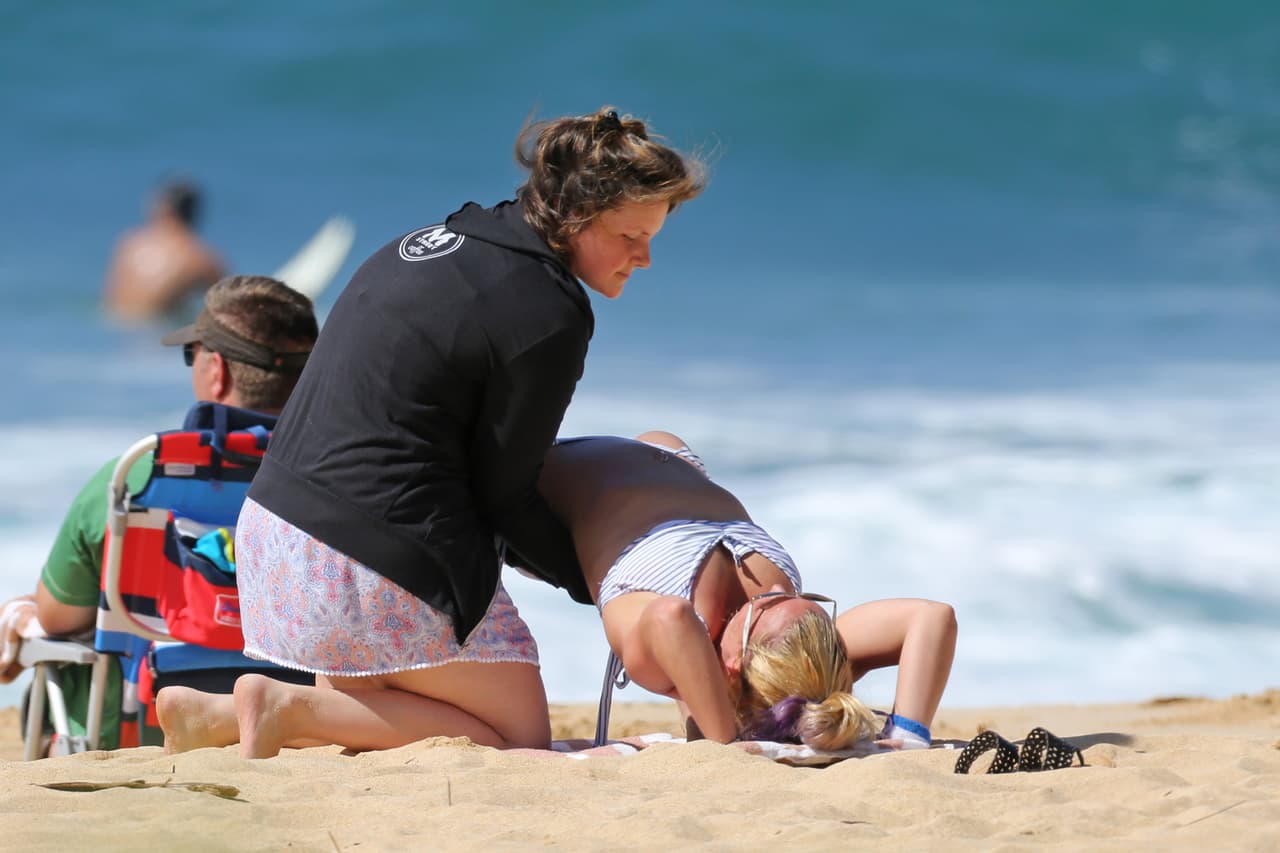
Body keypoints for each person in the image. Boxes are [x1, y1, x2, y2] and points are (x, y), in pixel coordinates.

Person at [157, 106, 706, 758]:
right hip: (368, 565)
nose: (643, 258)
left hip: (278, 547)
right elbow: (503, 493)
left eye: (653, 238)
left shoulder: (434, 244)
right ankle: (281, 701)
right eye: (628, 236)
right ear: (575, 216)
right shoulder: (549, 310)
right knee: (518, 735)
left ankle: (225, 713)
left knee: (381, 706)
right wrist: (606, 584)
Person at [18, 275, 318, 751]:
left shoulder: (139, 475)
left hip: (145, 729)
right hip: (300, 729)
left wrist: (19, 616)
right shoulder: (335, 478)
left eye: (192, 354)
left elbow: (57, 617)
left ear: (216, 369)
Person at [536, 431, 958, 750]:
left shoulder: (676, 618)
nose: (772, 587)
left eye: (766, 605)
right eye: (804, 601)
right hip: (646, 465)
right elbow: (931, 616)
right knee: (660, 440)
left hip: (535, 485)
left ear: (735, 663)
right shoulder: (803, 645)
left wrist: (724, 740)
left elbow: (671, 619)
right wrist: (910, 733)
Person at [104, 178, 226, 323]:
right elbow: (229, 306)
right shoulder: (200, 257)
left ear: (160, 207)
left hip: (113, 323)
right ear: (194, 212)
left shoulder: (129, 243)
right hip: (158, 329)